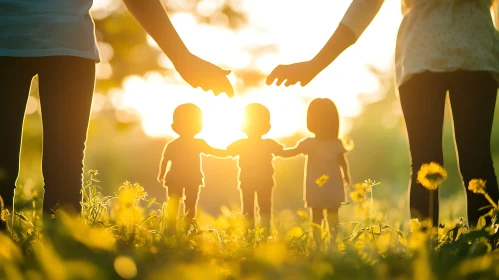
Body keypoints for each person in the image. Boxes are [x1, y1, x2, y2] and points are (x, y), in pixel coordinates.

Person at [0, 0, 234, 231]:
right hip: (67, 46)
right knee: (61, 172)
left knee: (57, 173)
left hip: (59, 46)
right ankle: (59, 253)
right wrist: (182, 58)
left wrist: (183, 58)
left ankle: (52, 257)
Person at [266, 0, 499, 227]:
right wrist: (314, 65)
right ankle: (485, 247)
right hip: (471, 51)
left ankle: (427, 250)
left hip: (428, 53)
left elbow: (366, 5)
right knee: (474, 160)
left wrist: (315, 64)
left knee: (427, 162)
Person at [278, 98, 350, 249]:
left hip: (328, 186)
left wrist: (346, 175)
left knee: (327, 216)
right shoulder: (312, 143)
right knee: (323, 215)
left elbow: (342, 161)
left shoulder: (330, 143)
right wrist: (277, 151)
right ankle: (321, 243)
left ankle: (329, 242)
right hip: (324, 186)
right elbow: (291, 152)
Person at [157, 103, 228, 235]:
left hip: (189, 178)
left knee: (187, 202)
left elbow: (212, 151)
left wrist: (227, 153)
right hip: (181, 178)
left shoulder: (178, 144)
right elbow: (165, 160)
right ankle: (175, 227)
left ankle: (186, 227)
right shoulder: (175, 145)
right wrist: (161, 173)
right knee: (178, 202)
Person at [226, 103, 283, 236]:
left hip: (255, 181)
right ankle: (258, 233)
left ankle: (254, 233)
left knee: (255, 207)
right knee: (260, 207)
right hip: (254, 181)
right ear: (267, 127)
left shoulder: (248, 143)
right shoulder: (267, 143)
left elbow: (223, 152)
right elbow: (285, 152)